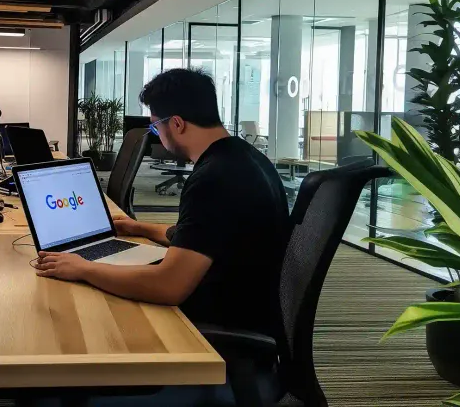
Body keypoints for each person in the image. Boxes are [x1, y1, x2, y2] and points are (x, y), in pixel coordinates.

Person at [34, 68, 291, 343]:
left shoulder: (213, 179)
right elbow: (201, 234)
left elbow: (169, 286)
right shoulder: (246, 158)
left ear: (177, 124)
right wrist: (137, 227)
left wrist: (84, 268)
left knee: (90, 320)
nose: (158, 135)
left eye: (157, 127)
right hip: (249, 303)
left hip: (220, 322)